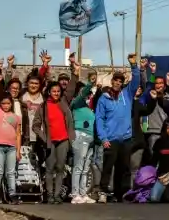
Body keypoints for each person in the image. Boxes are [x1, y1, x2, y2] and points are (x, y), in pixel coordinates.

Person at [95, 53, 141, 203]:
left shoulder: (127, 94)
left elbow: (136, 81)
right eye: (116, 80)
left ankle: (121, 193)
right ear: (112, 81)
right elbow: (99, 119)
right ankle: (103, 191)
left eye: (120, 81)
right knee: (108, 166)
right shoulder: (104, 98)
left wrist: (133, 65)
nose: (118, 83)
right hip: (111, 138)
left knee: (124, 167)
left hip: (126, 138)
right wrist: (103, 138)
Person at [32, 62, 78, 204]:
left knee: (60, 168)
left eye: (58, 91)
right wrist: (44, 137)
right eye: (54, 91)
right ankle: (50, 195)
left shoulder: (64, 102)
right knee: (49, 168)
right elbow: (35, 126)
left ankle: (57, 195)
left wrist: (75, 72)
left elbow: (71, 88)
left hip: (63, 140)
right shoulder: (43, 106)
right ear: (49, 92)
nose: (56, 93)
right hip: (50, 142)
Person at [0, 65, 21, 204]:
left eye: (8, 103)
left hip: (11, 148)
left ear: (11, 104)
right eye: (3, 103)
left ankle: (12, 194)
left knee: (10, 172)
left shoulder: (16, 117)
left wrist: (18, 150)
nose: (5, 105)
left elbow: (18, 134)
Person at [70, 73, 96, 204]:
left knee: (85, 168)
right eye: (82, 91)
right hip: (80, 136)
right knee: (78, 167)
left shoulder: (88, 108)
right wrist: (90, 83)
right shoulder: (76, 103)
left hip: (90, 138)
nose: (85, 94)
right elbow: (82, 94)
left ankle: (83, 193)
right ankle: (75, 194)